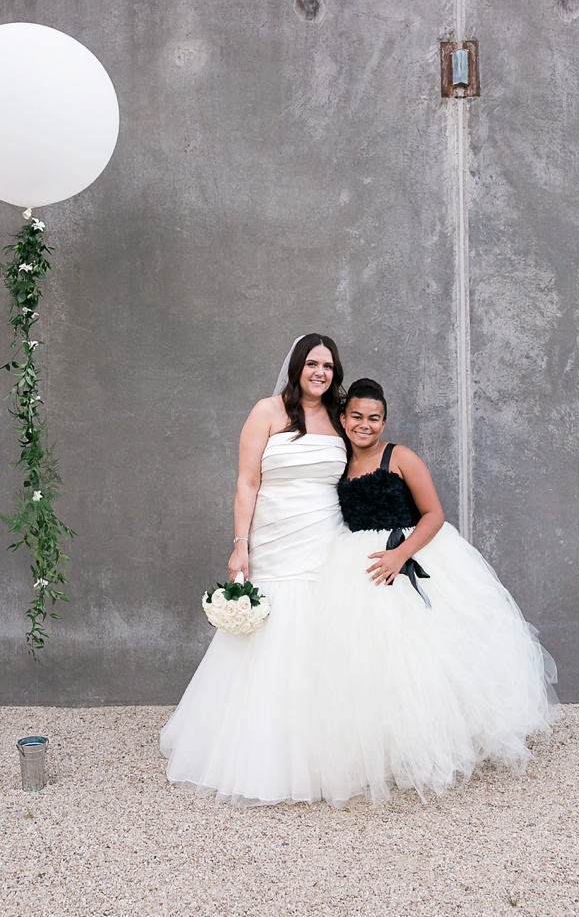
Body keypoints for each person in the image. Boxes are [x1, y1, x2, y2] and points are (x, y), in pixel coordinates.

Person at [309, 377, 557, 805]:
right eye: (357, 417)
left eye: (374, 418)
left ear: (384, 421)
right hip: (355, 564)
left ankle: (435, 748)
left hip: (408, 553)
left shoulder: (399, 456)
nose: (365, 425)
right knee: (369, 658)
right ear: (344, 418)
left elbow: (434, 514)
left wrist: (399, 555)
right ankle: (384, 752)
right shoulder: (338, 461)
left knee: (424, 657)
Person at [161, 334, 349, 804]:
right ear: (296, 367)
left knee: (321, 632)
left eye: (327, 365)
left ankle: (327, 751)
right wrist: (240, 545)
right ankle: (260, 749)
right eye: (311, 364)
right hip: (275, 536)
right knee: (272, 634)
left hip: (326, 536)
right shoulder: (267, 411)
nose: (319, 373)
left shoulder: (342, 418)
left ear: (335, 371)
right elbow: (247, 482)